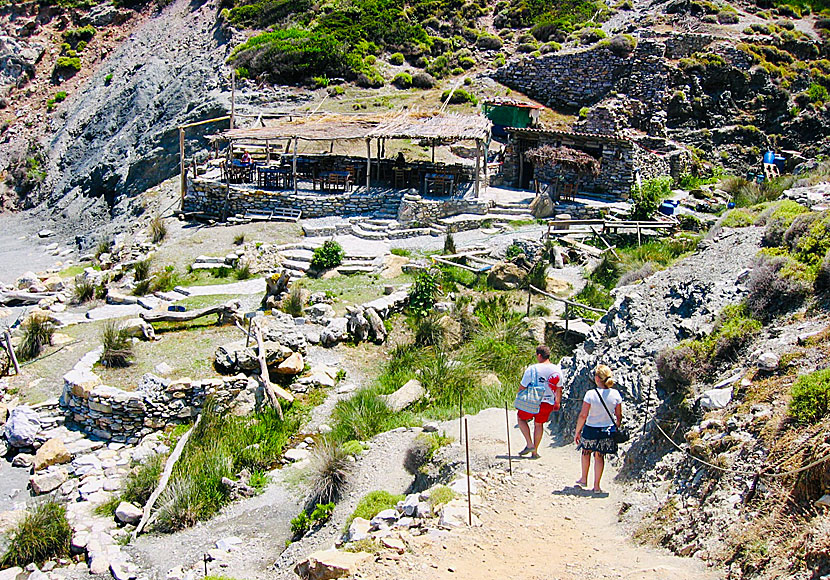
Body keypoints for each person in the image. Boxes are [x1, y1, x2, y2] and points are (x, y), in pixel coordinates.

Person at [574, 364, 623, 493]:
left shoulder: (590, 394)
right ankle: (596, 486)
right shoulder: (615, 394)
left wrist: (577, 431)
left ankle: (584, 479)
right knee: (599, 456)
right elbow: (619, 415)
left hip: (591, 428)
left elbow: (583, 415)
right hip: (607, 429)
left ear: (597, 378)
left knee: (586, 452)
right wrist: (616, 426)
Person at [516, 345, 563, 459]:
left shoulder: (532, 369)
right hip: (548, 401)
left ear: (539, 355)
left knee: (521, 419)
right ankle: (535, 452)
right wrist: (557, 402)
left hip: (533, 400)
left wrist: (519, 397)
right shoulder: (557, 369)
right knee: (539, 424)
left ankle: (529, 444)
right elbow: (559, 387)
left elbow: (523, 386)